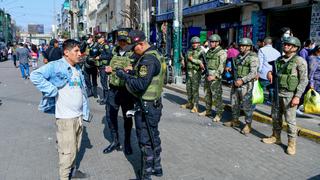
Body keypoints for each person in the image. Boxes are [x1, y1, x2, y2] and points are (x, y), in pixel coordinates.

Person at [30, 39, 90, 179]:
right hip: (65, 118)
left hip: (78, 115)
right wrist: (51, 90)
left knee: (76, 147)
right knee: (66, 152)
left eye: (79, 51)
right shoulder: (56, 66)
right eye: (76, 51)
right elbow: (35, 75)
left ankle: (73, 171)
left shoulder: (77, 68)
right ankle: (64, 177)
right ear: (66, 52)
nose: (79, 53)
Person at [115, 30, 164, 179]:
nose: (132, 52)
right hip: (154, 104)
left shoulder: (148, 60)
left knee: (145, 141)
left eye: (134, 48)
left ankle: (145, 175)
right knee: (153, 135)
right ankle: (157, 167)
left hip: (146, 106)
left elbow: (140, 85)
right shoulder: (156, 53)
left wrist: (124, 76)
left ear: (141, 44)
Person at [262, 37, 308, 155]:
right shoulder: (279, 59)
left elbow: (304, 80)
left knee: (290, 120)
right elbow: (274, 72)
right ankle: (276, 137)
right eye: (285, 44)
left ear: (295, 48)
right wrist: (269, 73)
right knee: (276, 117)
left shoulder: (299, 61)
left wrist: (297, 96)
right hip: (277, 92)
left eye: (289, 45)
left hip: (290, 94)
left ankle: (291, 143)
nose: (286, 46)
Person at [102, 29, 136, 155]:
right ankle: (115, 141)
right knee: (111, 116)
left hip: (127, 91)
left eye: (124, 40)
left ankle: (127, 143)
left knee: (128, 118)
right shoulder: (112, 51)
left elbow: (138, 69)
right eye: (120, 40)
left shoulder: (133, 53)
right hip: (113, 90)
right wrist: (106, 68)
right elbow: (104, 62)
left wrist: (132, 69)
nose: (122, 42)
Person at [223, 38, 259, 135]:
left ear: (249, 47)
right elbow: (237, 68)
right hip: (236, 82)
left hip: (246, 85)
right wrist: (230, 69)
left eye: (243, 46)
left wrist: (242, 80)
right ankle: (235, 120)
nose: (241, 47)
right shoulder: (239, 56)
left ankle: (248, 124)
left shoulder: (253, 57)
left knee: (247, 106)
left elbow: (253, 73)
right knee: (234, 103)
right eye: (240, 45)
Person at [198, 34, 227, 122]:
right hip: (207, 75)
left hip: (215, 78)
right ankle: (208, 110)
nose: (212, 43)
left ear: (218, 42)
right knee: (207, 94)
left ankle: (219, 114)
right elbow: (206, 62)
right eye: (211, 42)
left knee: (217, 97)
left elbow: (221, 66)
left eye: (214, 42)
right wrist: (202, 64)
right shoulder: (209, 51)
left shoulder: (221, 52)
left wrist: (215, 76)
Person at [180, 36, 204, 113]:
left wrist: (192, 60)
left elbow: (202, 63)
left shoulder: (201, 51)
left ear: (199, 43)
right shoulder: (189, 50)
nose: (194, 44)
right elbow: (185, 58)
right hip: (188, 71)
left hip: (196, 73)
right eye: (193, 43)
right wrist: (183, 61)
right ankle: (189, 103)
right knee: (188, 88)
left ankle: (195, 106)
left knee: (195, 90)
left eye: (196, 43)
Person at [257, 37, 281, 104]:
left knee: (261, 87)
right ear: (271, 44)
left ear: (263, 43)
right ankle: (271, 100)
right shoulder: (277, 52)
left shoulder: (261, 50)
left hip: (264, 73)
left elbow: (260, 62)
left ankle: (261, 99)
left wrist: (258, 72)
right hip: (273, 73)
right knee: (271, 88)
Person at [94, 33, 112, 105]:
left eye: (99, 38)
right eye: (97, 38)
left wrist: (100, 57)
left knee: (104, 83)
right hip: (100, 66)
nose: (97, 39)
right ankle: (105, 98)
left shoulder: (106, 46)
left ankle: (106, 99)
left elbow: (109, 56)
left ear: (102, 38)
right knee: (102, 82)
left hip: (104, 66)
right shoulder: (99, 45)